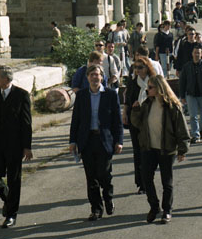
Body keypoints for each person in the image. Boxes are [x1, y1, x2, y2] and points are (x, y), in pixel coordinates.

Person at [131, 75, 190, 224]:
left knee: (166, 181)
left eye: (150, 87)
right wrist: (135, 110)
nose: (147, 90)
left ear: (159, 88)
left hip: (166, 149)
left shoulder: (172, 107)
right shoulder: (147, 104)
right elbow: (137, 124)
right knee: (146, 178)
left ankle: (167, 210)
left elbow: (181, 129)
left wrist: (182, 149)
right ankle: (154, 206)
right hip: (149, 148)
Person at [0, 65, 33, 228]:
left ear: (6, 79)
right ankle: (9, 199)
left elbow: (26, 122)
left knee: (13, 180)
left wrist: (27, 146)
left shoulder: (21, 95)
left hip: (14, 145)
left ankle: (11, 214)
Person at [70, 65, 123, 221]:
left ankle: (108, 198)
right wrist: (73, 141)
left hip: (104, 140)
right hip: (87, 140)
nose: (94, 77)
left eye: (97, 75)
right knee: (91, 177)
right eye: (91, 75)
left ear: (102, 77)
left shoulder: (110, 95)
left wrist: (119, 141)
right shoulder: (82, 96)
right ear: (87, 77)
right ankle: (96, 209)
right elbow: (76, 120)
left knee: (104, 174)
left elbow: (117, 121)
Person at [123, 56, 157, 194]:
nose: (138, 70)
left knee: (149, 151)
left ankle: (149, 178)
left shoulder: (153, 81)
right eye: (135, 68)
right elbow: (127, 100)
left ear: (147, 68)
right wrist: (125, 114)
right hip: (135, 119)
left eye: (140, 67)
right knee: (138, 151)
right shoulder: (133, 83)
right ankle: (141, 183)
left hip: (151, 120)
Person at [179, 46, 202, 144]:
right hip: (191, 94)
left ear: (201, 54)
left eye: (198, 53)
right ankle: (195, 135)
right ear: (192, 54)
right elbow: (182, 82)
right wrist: (182, 96)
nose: (196, 54)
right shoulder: (187, 66)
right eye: (195, 52)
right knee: (193, 116)